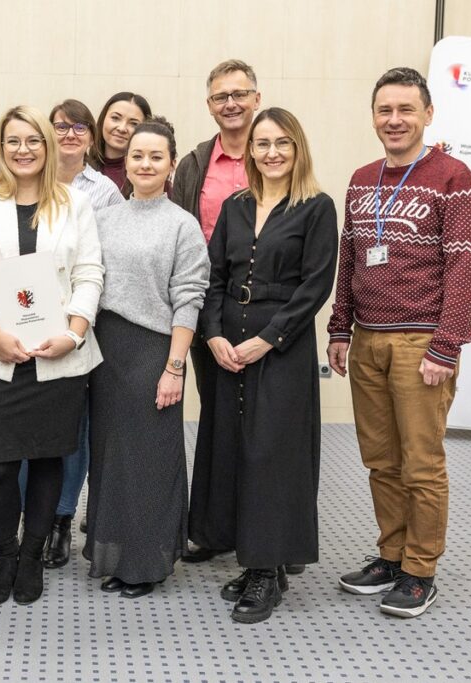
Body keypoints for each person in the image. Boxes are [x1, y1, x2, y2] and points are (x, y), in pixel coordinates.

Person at [328, 67, 471, 618]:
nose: (394, 120)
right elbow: (350, 258)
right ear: (374, 116)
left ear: (428, 114)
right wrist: (340, 327)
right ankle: (391, 554)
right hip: (368, 338)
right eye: (384, 110)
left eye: (405, 110)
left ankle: (420, 569)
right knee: (380, 460)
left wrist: (448, 344)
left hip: (422, 343)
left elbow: (465, 265)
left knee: (421, 463)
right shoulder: (362, 177)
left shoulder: (453, 176)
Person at [0, 105, 104, 606]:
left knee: (46, 460)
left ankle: (34, 556)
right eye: (14, 140)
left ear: (48, 144)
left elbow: (90, 273)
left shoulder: (75, 204)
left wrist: (75, 334)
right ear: (2, 145)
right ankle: (7, 554)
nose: (24, 150)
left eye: (33, 140)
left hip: (58, 355)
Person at [195, 108, 338, 623]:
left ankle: (265, 571)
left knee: (272, 455)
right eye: (261, 144)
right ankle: (261, 560)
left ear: (297, 148)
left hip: (282, 344)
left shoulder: (317, 208)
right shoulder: (235, 206)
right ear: (249, 150)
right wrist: (212, 334)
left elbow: (315, 286)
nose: (271, 152)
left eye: (281, 143)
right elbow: (211, 276)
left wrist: (268, 339)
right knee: (234, 448)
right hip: (227, 340)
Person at [83, 117, 209, 599]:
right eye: (137, 155)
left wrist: (174, 367)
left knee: (151, 459)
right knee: (110, 458)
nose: (145, 163)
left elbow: (189, 298)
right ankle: (114, 553)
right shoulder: (105, 218)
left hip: (154, 351)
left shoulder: (183, 225)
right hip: (105, 349)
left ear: (171, 164)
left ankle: (148, 563)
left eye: (156, 156)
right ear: (126, 161)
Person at [20, 99, 123, 570]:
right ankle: (30, 519)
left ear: (91, 136)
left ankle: (61, 518)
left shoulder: (102, 192)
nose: (70, 133)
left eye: (80, 126)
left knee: (73, 432)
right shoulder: (22, 184)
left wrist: (76, 323)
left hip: (80, 324)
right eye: (60, 125)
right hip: (24, 321)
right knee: (26, 426)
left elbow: (104, 264)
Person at [174, 58, 265, 565]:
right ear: (209, 105)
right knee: (218, 420)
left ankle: (268, 532)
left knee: (267, 425)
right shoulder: (194, 164)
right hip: (212, 308)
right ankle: (214, 529)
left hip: (269, 310)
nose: (230, 103)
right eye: (219, 96)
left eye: (239, 93)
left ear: (256, 97)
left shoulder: (275, 153)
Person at [92, 92, 152, 191]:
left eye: (133, 123)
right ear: (103, 119)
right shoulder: (81, 168)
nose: (122, 128)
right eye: (115, 118)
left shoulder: (147, 174)